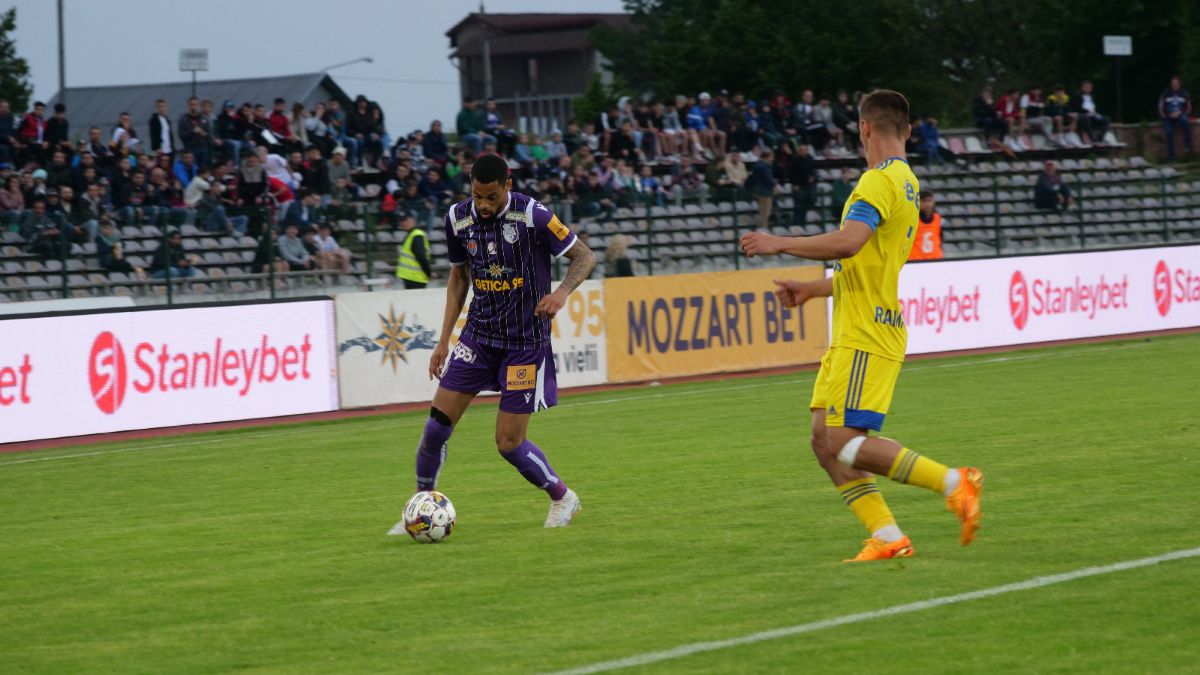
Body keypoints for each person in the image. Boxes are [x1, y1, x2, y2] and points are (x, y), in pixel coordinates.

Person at [739, 89, 983, 562]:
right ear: (908, 131)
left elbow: (850, 243)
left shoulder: (876, 182)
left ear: (864, 128)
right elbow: (869, 264)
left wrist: (778, 242)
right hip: (858, 324)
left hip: (867, 332)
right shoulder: (907, 183)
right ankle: (889, 537)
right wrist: (815, 289)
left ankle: (956, 482)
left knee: (847, 443)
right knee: (822, 439)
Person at [387, 153, 596, 534]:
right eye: (478, 196)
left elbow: (584, 256)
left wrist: (562, 292)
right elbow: (458, 281)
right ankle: (420, 507)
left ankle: (563, 497)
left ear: (508, 186)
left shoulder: (534, 215)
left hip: (524, 343)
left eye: (492, 197)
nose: (483, 205)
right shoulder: (457, 219)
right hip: (478, 338)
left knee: (508, 443)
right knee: (435, 427)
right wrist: (443, 341)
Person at [395, 211, 432, 289]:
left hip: (415, 277)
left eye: (405, 220)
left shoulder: (416, 235)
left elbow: (421, 257)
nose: (402, 223)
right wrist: (429, 273)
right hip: (414, 277)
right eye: (401, 221)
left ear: (413, 220)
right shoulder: (412, 235)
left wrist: (428, 273)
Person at [1159, 76, 1193, 160]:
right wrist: (1168, 114)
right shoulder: (1165, 93)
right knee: (1169, 133)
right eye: (1173, 83)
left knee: (1185, 121)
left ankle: (1187, 145)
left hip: (1180, 114)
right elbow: (1160, 106)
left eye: (1176, 83)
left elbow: (1188, 107)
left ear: (1179, 84)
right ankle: (1171, 156)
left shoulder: (1184, 93)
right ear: (1171, 84)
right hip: (1168, 116)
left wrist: (1180, 112)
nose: (1175, 85)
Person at [908, 190, 943, 260]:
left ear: (933, 202)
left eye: (929, 201)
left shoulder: (938, 218)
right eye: (924, 201)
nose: (927, 204)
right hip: (915, 260)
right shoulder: (912, 219)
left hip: (936, 259)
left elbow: (940, 238)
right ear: (918, 202)